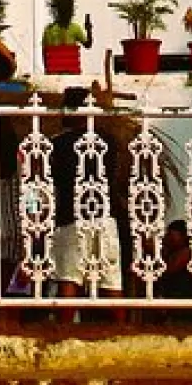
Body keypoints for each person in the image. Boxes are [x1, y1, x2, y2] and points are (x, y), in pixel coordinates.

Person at [49, 88, 124, 302]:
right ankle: (120, 329)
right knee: (111, 280)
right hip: (105, 216)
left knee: (69, 277)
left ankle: (65, 329)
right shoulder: (109, 141)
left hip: (71, 218)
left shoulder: (58, 144)